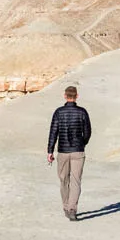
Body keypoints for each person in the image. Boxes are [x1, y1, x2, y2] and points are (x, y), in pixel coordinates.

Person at [47, 85, 92, 221]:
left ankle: (67, 207)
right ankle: (72, 209)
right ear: (77, 96)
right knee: (76, 181)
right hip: (78, 151)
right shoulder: (82, 112)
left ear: (65, 96)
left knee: (64, 180)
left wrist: (50, 151)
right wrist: (82, 143)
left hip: (63, 152)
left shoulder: (58, 112)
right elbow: (88, 132)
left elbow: (53, 132)